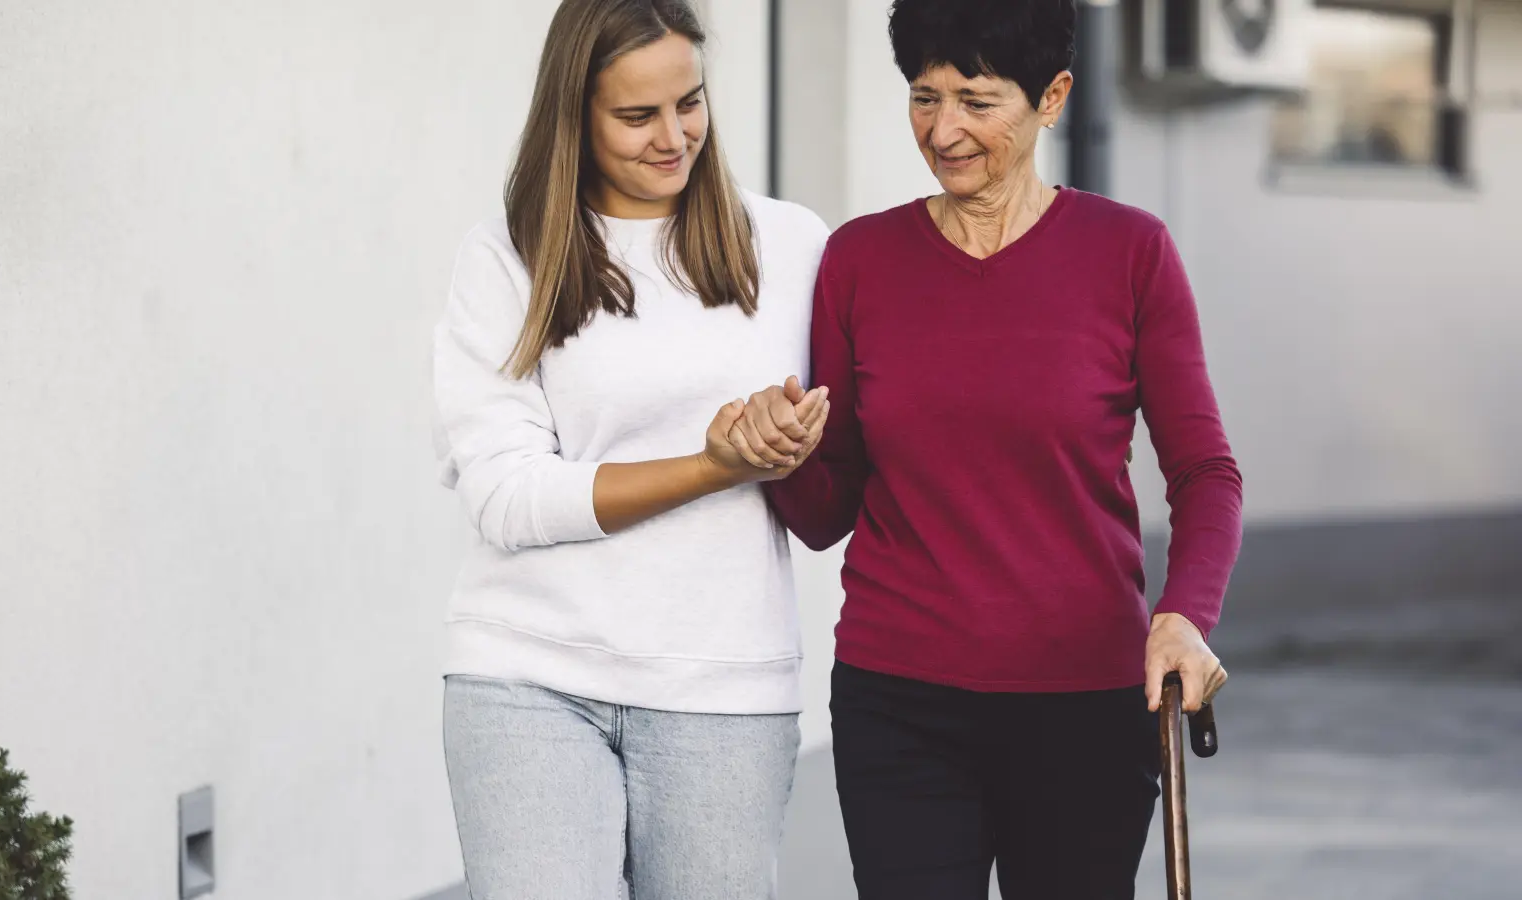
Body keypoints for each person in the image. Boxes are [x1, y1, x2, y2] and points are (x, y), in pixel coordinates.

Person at [731, 1, 1243, 897]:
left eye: (976, 100)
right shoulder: (859, 261)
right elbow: (823, 512)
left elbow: (1205, 473)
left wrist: (1183, 615)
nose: (944, 131)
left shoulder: (1130, 254)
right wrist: (773, 453)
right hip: (899, 701)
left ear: (1053, 97)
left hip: (1085, 703)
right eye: (924, 97)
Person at [429, 1, 831, 897]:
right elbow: (507, 497)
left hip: (725, 687)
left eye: (690, 103)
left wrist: (794, 436)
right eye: (637, 116)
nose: (674, 138)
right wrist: (713, 467)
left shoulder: (793, 246)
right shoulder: (508, 256)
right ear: (574, 117)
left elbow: (853, 445)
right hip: (528, 677)